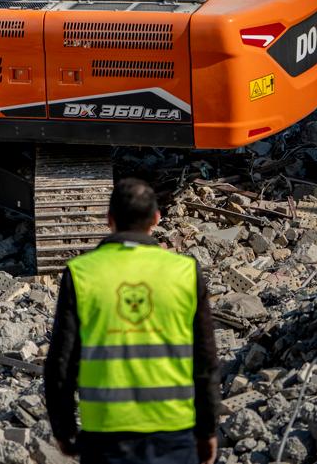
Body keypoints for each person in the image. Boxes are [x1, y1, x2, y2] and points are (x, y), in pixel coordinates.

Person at [45, 179, 220, 464]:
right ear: (156, 218)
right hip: (173, 432)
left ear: (109, 219)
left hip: (106, 434)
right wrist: (207, 430)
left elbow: (60, 365)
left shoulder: (82, 273)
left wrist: (63, 430)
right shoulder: (185, 272)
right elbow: (205, 361)